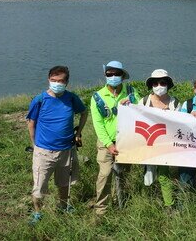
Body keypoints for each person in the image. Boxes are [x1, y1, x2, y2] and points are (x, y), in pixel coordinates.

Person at [26, 65, 88, 224]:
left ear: (66, 82)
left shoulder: (71, 98)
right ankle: (38, 213)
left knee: (64, 183)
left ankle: (63, 206)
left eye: (60, 81)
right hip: (43, 152)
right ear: (48, 80)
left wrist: (78, 132)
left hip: (66, 150)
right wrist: (35, 145)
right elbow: (31, 123)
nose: (56, 83)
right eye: (53, 80)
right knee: (39, 187)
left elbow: (84, 112)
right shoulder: (39, 100)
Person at [91, 61, 140, 215]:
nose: (113, 77)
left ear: (122, 76)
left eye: (116, 74)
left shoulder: (132, 92)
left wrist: (131, 104)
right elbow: (98, 124)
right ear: (105, 76)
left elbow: (141, 112)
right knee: (105, 175)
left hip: (126, 141)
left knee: (123, 174)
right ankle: (101, 208)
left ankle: (119, 201)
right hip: (106, 143)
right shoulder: (97, 97)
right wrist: (108, 144)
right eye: (109, 74)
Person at [138, 69, 179, 208]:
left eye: (162, 82)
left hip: (166, 146)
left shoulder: (175, 103)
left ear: (167, 84)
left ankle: (169, 204)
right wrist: (126, 105)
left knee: (164, 175)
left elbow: (181, 124)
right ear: (151, 85)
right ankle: (147, 201)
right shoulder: (144, 101)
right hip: (148, 143)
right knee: (147, 172)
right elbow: (135, 119)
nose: (159, 86)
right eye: (155, 83)